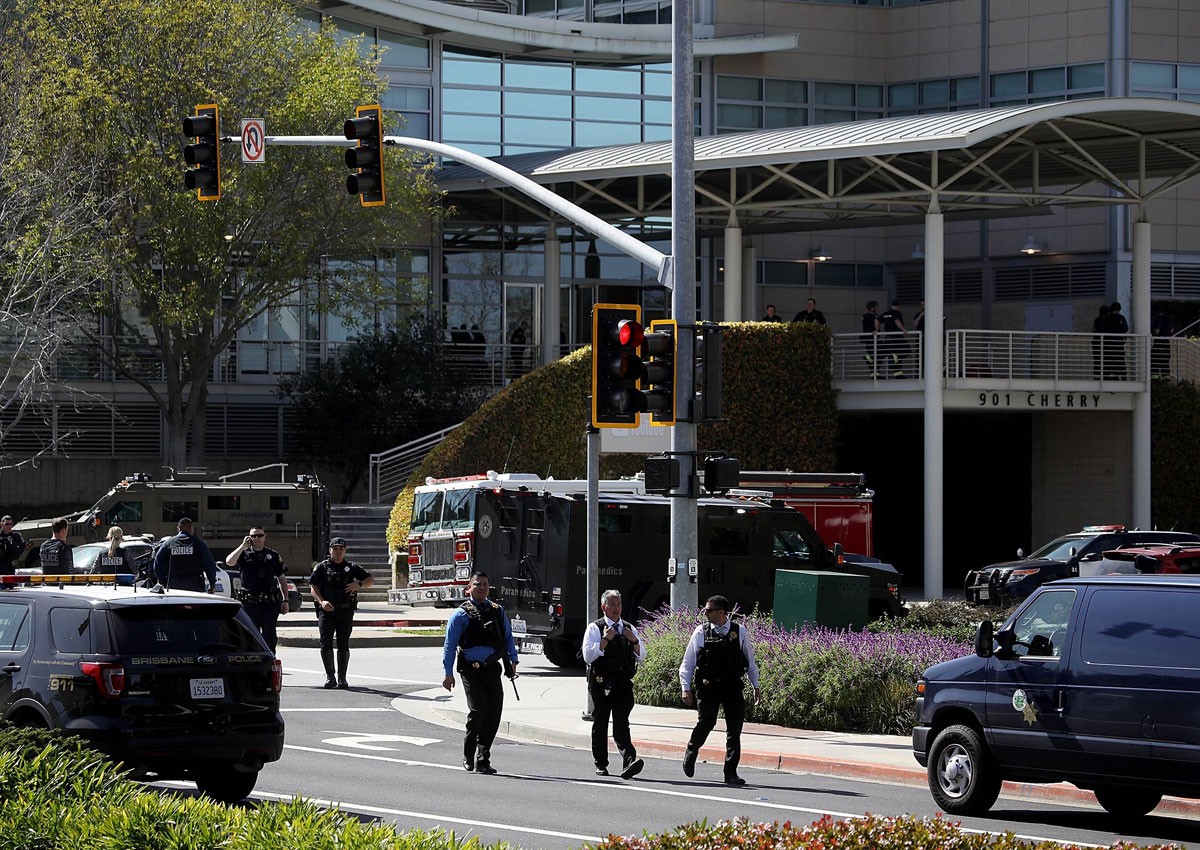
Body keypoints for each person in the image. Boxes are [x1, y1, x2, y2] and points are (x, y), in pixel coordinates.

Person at [679, 595, 761, 786]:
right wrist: (686, 688)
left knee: (734, 730)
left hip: (732, 686)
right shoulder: (701, 632)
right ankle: (691, 751)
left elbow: (750, 661)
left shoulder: (739, 631)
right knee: (706, 722)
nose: (705, 613)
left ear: (722, 612)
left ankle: (730, 772)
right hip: (708, 687)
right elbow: (688, 662)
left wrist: (755, 685)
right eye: (705, 610)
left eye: (709, 610)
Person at [442, 571, 518, 775]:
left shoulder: (497, 610)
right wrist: (447, 673)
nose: (482, 588)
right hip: (470, 669)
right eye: (477, 584)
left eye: (485, 584)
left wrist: (513, 660)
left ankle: (483, 759)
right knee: (478, 711)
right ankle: (468, 754)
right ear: (469, 588)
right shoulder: (460, 614)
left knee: (493, 713)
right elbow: (449, 646)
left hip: (492, 668)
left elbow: (508, 637)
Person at [581, 589, 646, 779]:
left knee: (621, 723)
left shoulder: (629, 628)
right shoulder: (595, 628)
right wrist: (605, 640)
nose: (617, 608)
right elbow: (588, 656)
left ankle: (630, 761)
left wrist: (633, 640)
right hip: (601, 683)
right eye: (613, 604)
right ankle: (601, 763)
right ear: (604, 607)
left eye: (619, 604)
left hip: (623, 683)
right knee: (600, 723)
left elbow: (642, 656)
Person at [309, 537, 374, 689]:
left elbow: (370, 580)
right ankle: (330, 677)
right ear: (330, 550)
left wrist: (358, 584)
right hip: (327, 611)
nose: (338, 551)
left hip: (345, 610)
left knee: (343, 644)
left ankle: (342, 678)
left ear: (345, 551)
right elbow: (313, 587)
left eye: (341, 549)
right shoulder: (321, 567)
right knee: (325, 643)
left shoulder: (351, 567)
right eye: (335, 548)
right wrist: (321, 601)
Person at [226, 525, 289, 653]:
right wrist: (243, 546)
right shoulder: (243, 554)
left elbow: (282, 579)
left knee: (269, 635)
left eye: (259, 535)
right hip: (249, 603)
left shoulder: (273, 555)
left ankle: (269, 660)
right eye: (253, 536)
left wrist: (286, 600)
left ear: (265, 537)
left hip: (269, 604)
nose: (256, 538)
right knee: (250, 635)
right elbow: (229, 562)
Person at [153, 517, 217, 592]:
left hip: (174, 586)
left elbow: (157, 564)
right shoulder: (199, 543)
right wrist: (212, 584)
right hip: (195, 586)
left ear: (178, 528)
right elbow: (209, 564)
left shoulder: (168, 543)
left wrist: (163, 581)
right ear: (191, 528)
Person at [879, 299, 908, 377]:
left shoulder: (886, 313)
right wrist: (903, 329)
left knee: (895, 355)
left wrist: (876, 329)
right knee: (907, 349)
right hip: (897, 337)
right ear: (898, 306)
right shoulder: (897, 313)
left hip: (888, 338)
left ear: (891, 305)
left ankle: (897, 374)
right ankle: (897, 369)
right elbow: (897, 321)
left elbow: (877, 320)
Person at [1104, 301, 1128, 379]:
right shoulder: (1121, 318)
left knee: (1108, 363)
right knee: (1120, 362)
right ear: (1119, 310)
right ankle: (1123, 378)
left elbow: (1103, 329)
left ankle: (1108, 378)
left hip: (1108, 346)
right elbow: (1125, 329)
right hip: (1119, 345)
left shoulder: (1107, 319)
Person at [1151, 305, 1172, 378]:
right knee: (1165, 361)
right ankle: (1166, 376)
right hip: (1166, 343)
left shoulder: (1158, 319)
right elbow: (1171, 330)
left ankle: (1155, 377)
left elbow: (1157, 331)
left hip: (1159, 343)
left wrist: (1153, 333)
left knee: (1155, 360)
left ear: (1156, 312)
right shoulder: (1167, 319)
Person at [860, 300, 880, 376]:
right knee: (876, 355)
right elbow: (876, 324)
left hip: (868, 339)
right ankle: (875, 373)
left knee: (874, 356)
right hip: (872, 339)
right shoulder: (874, 316)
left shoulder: (864, 316)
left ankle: (874, 373)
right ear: (872, 308)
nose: (878, 308)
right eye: (876, 307)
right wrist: (876, 330)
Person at [1091, 304, 1109, 379]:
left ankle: (1097, 376)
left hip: (1096, 342)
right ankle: (1105, 375)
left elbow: (1094, 329)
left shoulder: (1097, 320)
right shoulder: (1108, 321)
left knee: (1097, 360)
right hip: (1106, 343)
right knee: (1106, 360)